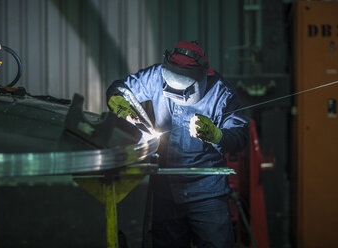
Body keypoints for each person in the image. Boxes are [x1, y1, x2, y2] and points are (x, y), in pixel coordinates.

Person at [106, 41, 248, 248]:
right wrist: (117, 98)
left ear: (203, 76)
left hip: (207, 195)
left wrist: (218, 136)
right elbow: (121, 87)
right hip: (166, 191)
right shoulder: (155, 77)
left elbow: (240, 136)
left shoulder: (221, 93)